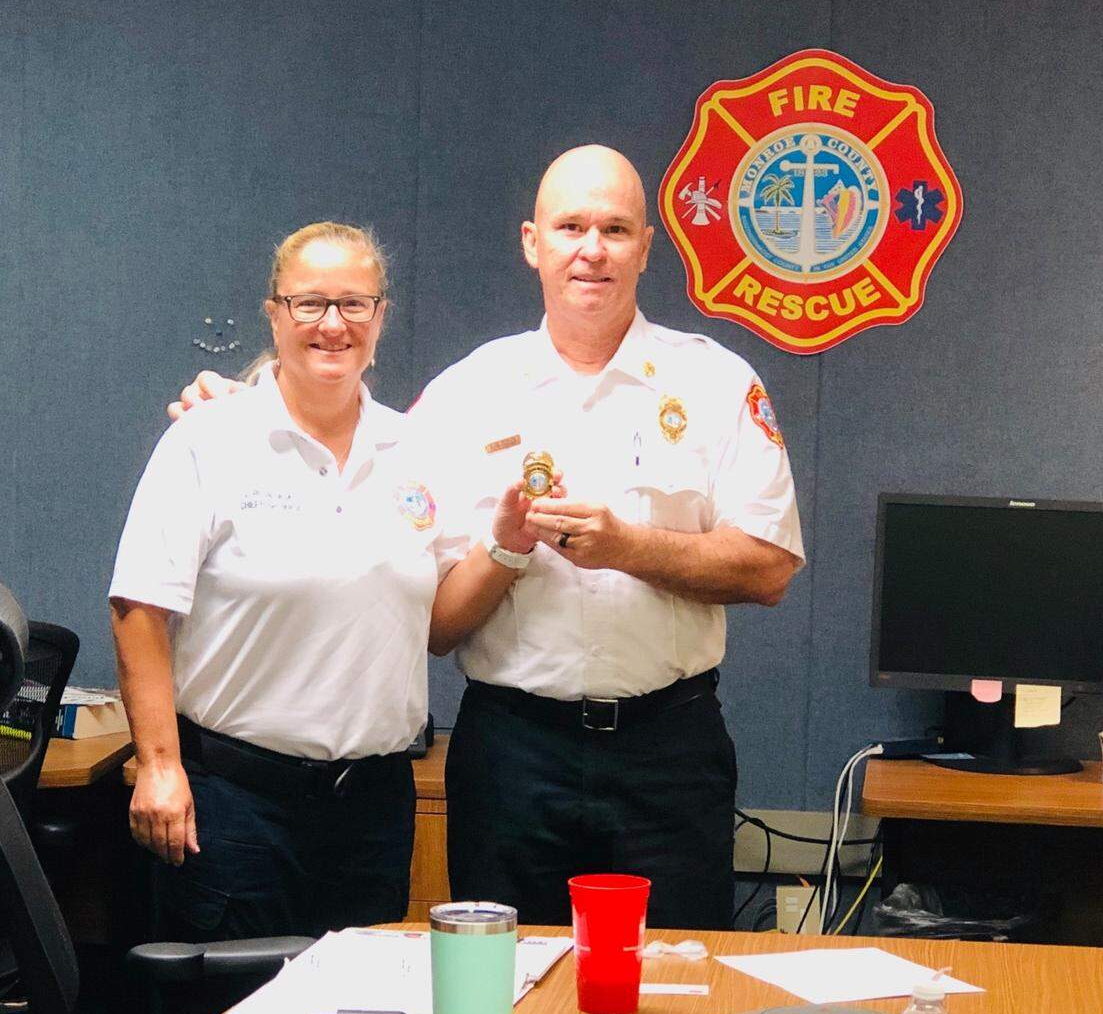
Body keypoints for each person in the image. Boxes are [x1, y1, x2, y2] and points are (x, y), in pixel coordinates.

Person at [169, 146, 804, 930]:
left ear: (646, 247)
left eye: (614, 229)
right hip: (514, 753)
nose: (592, 250)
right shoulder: (463, 396)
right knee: (504, 987)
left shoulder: (715, 383)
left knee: (671, 981)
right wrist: (242, 409)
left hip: (668, 752)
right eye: (571, 226)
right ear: (533, 243)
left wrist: (626, 548)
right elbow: (422, 612)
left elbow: (771, 567)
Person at [111, 221, 543, 941]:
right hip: (235, 804)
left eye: (354, 304)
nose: (332, 325)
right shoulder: (208, 440)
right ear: (275, 314)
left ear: (380, 318)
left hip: (371, 809)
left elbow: (433, 629)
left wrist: (506, 548)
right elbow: (138, 609)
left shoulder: (415, 450)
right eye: (309, 304)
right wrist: (158, 766)